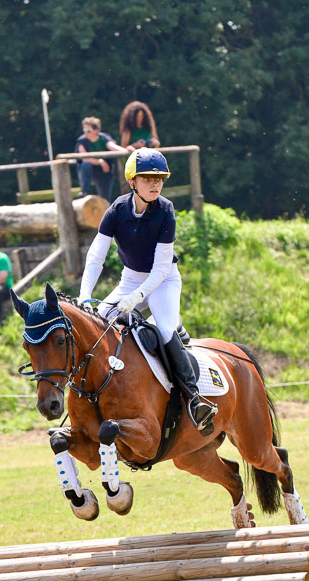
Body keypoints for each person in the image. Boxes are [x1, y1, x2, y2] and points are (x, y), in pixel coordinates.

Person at [78, 148, 217, 432]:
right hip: (129, 279)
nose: (155, 184)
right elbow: (96, 257)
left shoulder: (165, 210)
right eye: (147, 179)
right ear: (133, 182)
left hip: (163, 280)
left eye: (159, 179)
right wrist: (83, 295)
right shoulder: (116, 210)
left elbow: (162, 267)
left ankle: (193, 397)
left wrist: (137, 298)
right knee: (99, 322)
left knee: (164, 330)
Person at [75, 116, 126, 201]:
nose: (86, 133)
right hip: (89, 172)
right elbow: (84, 158)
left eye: (89, 131)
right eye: (84, 131)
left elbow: (113, 147)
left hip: (104, 171)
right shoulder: (81, 141)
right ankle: (86, 191)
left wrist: (127, 151)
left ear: (96, 130)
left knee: (105, 199)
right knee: (85, 165)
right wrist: (100, 162)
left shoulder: (103, 138)